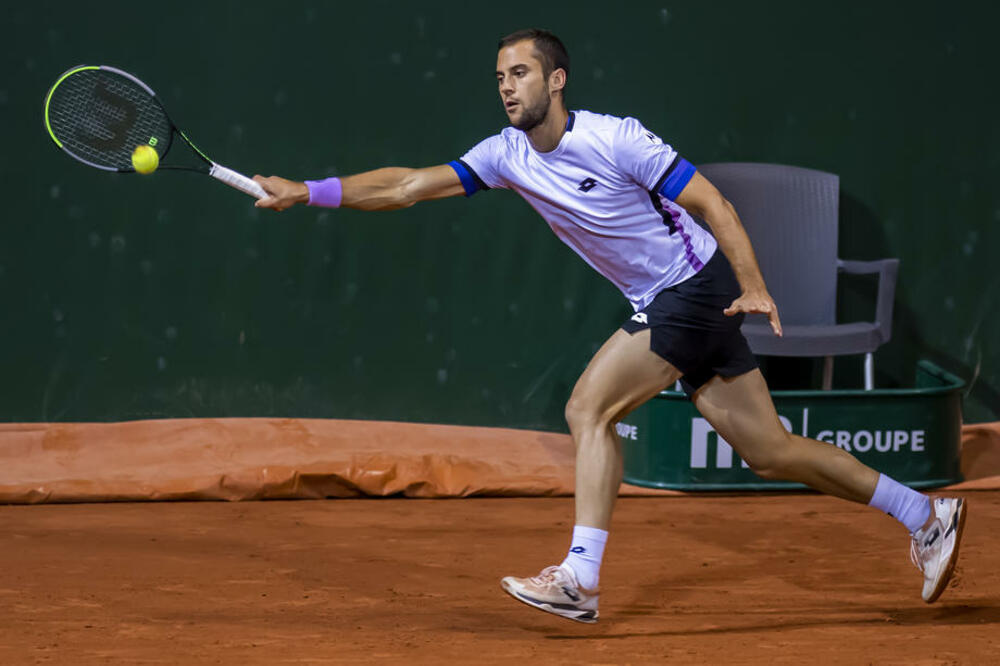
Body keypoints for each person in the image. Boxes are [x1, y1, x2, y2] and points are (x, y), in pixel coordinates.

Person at [253, 28, 967, 624]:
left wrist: (754, 285)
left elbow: (714, 202)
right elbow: (407, 186)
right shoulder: (504, 155)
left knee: (586, 408)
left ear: (556, 80)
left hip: (690, 288)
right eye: (500, 75)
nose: (507, 86)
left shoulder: (616, 139)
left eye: (522, 73)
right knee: (770, 452)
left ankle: (581, 577)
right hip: (674, 299)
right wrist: (309, 192)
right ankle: (925, 516)